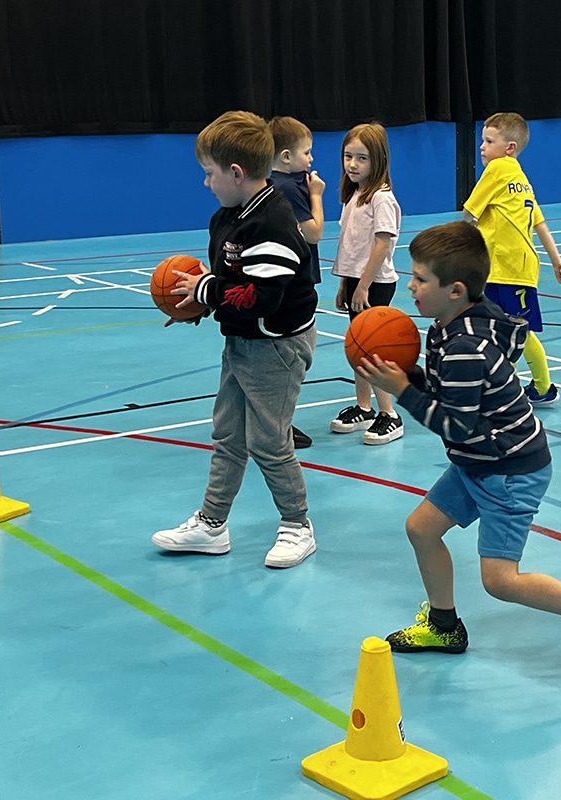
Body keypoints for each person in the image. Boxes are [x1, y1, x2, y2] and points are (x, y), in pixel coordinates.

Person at [356, 221, 561, 688]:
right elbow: (450, 398)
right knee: (421, 529)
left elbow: (454, 423)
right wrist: (412, 379)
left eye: (421, 278)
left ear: (455, 290)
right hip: (477, 461)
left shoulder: (466, 345)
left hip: (509, 470)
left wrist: (402, 389)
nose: (411, 285)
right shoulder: (449, 325)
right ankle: (444, 626)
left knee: (500, 580)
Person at [151, 110, 319, 569]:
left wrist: (208, 291)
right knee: (227, 434)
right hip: (243, 342)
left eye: (209, 173)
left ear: (236, 173)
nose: (206, 183)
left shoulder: (271, 225)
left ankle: (297, 525)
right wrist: (203, 305)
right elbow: (232, 281)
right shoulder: (228, 216)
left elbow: (262, 296)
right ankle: (212, 524)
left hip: (277, 347)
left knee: (268, 440)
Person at [463, 112, 561, 406]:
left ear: (509, 147)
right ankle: (512, 386)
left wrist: (456, 250)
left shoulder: (497, 169)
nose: (482, 147)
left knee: (517, 332)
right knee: (504, 329)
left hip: (510, 269)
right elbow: (540, 223)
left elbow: (469, 214)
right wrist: (556, 259)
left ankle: (537, 387)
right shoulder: (520, 177)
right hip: (499, 268)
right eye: (481, 140)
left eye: (488, 141)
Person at [328, 122, 405, 445]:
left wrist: (363, 286)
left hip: (375, 284)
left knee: (371, 350)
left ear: (378, 161)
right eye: (349, 157)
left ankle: (390, 414)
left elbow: (382, 245)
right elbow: (351, 246)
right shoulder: (354, 195)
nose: (353, 165)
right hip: (356, 282)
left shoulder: (381, 199)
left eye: (362, 158)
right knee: (356, 348)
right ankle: (364, 407)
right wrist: (345, 284)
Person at [268, 115, 327, 450]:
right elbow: (314, 232)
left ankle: (277, 420)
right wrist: (317, 194)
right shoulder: (290, 187)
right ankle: (277, 425)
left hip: (287, 281)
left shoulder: (275, 182)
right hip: (295, 283)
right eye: (307, 152)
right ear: (286, 156)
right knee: (294, 356)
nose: (311, 159)